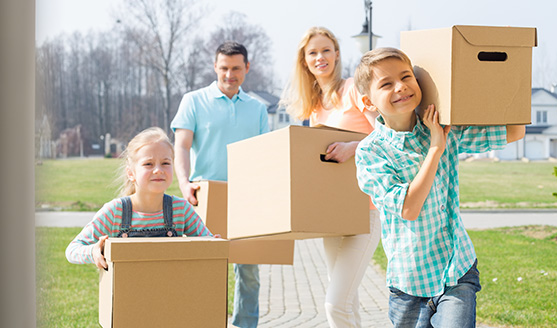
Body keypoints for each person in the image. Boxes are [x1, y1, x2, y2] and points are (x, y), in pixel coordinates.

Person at [353, 47, 526, 328]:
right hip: (410, 284)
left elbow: (515, 131)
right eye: (386, 84)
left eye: (406, 76)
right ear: (368, 101)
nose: (401, 86)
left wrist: (510, 71)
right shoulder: (371, 153)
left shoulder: (446, 128)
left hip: (457, 270)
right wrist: (435, 149)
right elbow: (409, 208)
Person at [280, 27, 381, 328]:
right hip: (332, 216)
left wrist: (352, 147)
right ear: (305, 61)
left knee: (335, 305)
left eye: (326, 50)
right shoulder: (315, 108)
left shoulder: (354, 89)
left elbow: (387, 136)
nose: (319, 57)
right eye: (312, 53)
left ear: (337, 54)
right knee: (347, 302)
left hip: (366, 212)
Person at [170, 41, 268, 328]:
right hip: (204, 196)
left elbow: (264, 155)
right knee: (206, 269)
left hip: (246, 198)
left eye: (236, 68)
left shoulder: (257, 109)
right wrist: (184, 183)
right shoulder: (193, 101)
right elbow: (181, 147)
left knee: (248, 272)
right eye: (224, 68)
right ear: (215, 67)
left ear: (246, 68)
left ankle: (245, 325)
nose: (229, 74)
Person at [65, 127, 214, 268]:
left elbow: (209, 244)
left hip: (171, 292)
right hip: (128, 293)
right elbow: (72, 250)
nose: (158, 170)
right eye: (148, 164)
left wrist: (213, 244)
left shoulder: (181, 210)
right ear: (131, 173)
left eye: (165, 163)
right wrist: (94, 251)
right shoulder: (115, 211)